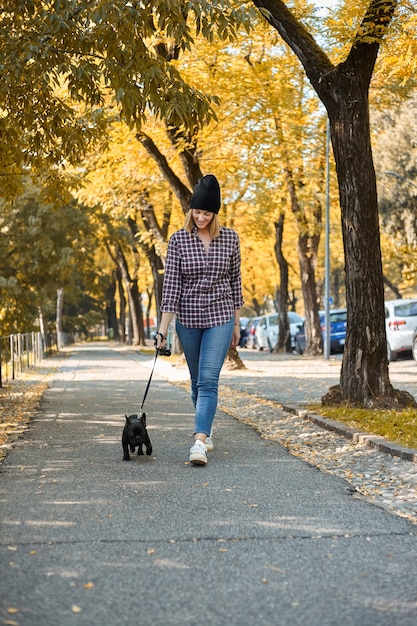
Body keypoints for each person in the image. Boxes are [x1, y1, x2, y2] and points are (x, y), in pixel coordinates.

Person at [154, 174, 243, 466]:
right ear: (190, 210)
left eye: (207, 212)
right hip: (189, 318)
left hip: (220, 315)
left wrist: (237, 323)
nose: (201, 217)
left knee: (208, 380)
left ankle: (199, 443)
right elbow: (172, 288)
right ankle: (207, 426)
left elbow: (235, 281)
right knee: (196, 381)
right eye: (197, 211)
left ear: (215, 212)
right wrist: (162, 330)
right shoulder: (179, 240)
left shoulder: (230, 238)